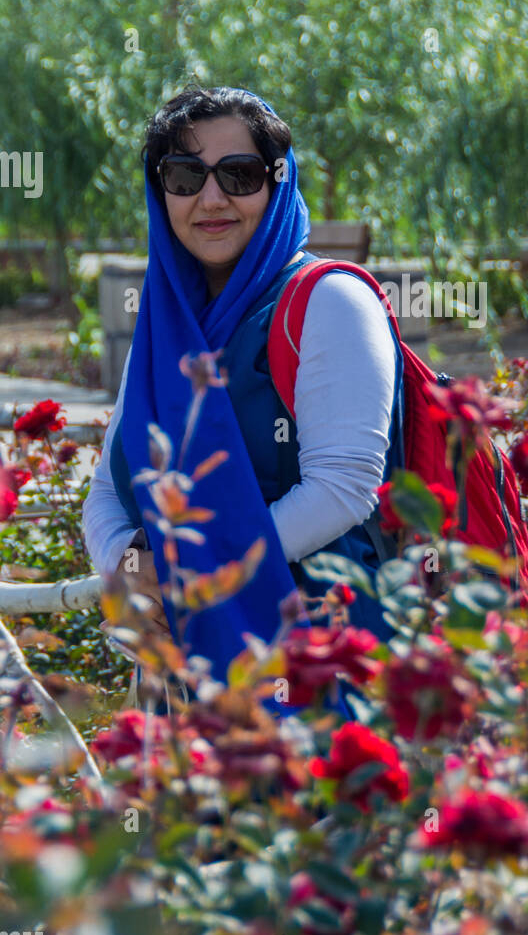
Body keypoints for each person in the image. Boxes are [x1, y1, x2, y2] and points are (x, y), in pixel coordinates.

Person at [82, 86, 401, 691]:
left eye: (240, 174)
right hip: (195, 667)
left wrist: (194, 578)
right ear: (161, 191)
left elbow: (343, 487)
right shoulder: (165, 325)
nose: (211, 198)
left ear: (276, 181)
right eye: (184, 174)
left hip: (320, 662)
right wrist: (129, 566)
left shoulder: (328, 301)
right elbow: (106, 490)